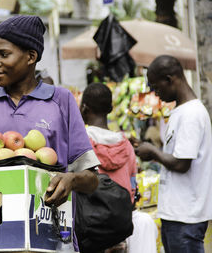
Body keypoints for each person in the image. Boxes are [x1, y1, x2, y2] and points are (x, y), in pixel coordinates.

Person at [0, 15, 99, 249]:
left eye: (3, 54)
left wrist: (71, 178)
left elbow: (92, 179)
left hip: (51, 239)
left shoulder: (60, 101)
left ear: (31, 57)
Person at [131, 55, 212, 253]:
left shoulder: (191, 114)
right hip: (176, 214)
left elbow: (181, 163)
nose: (156, 94)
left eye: (157, 88)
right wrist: (148, 149)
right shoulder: (180, 111)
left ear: (170, 79)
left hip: (186, 217)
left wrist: (152, 152)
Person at [80, 82, 137, 203]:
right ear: (110, 109)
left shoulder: (82, 142)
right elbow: (133, 184)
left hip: (92, 215)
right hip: (122, 214)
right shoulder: (126, 144)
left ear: (84, 108)